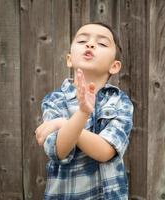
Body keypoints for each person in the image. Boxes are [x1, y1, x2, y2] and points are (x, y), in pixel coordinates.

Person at [35, 22, 133, 199]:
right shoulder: (55, 100)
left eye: (102, 43)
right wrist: (83, 113)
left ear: (115, 66)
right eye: (82, 41)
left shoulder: (120, 101)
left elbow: (105, 152)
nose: (90, 44)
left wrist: (63, 123)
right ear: (69, 59)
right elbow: (59, 150)